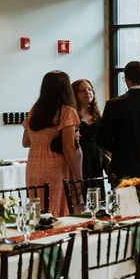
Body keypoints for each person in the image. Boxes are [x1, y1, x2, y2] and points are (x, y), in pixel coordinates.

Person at [23, 71, 82, 216]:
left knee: (39, 211)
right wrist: (78, 177)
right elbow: (68, 148)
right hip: (56, 167)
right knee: (58, 209)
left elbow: (25, 142)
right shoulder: (66, 112)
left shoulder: (34, 110)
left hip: (34, 168)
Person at [72, 79, 106, 180]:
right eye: (82, 90)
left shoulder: (97, 115)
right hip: (80, 157)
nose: (87, 92)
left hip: (96, 157)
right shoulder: (72, 115)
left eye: (90, 89)